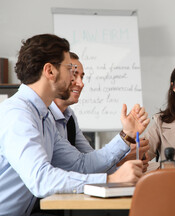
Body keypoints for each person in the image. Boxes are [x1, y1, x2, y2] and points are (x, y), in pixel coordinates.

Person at [0, 34, 147, 216]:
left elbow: (80, 164)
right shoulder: (17, 114)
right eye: (70, 68)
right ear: (50, 71)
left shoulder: (43, 116)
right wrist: (112, 179)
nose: (74, 78)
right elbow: (41, 179)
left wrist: (126, 136)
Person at [49, 52, 150, 170]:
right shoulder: (44, 116)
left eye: (82, 77)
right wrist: (125, 138)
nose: (81, 83)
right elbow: (80, 166)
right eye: (73, 75)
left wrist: (128, 162)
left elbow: (92, 164)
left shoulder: (70, 117)